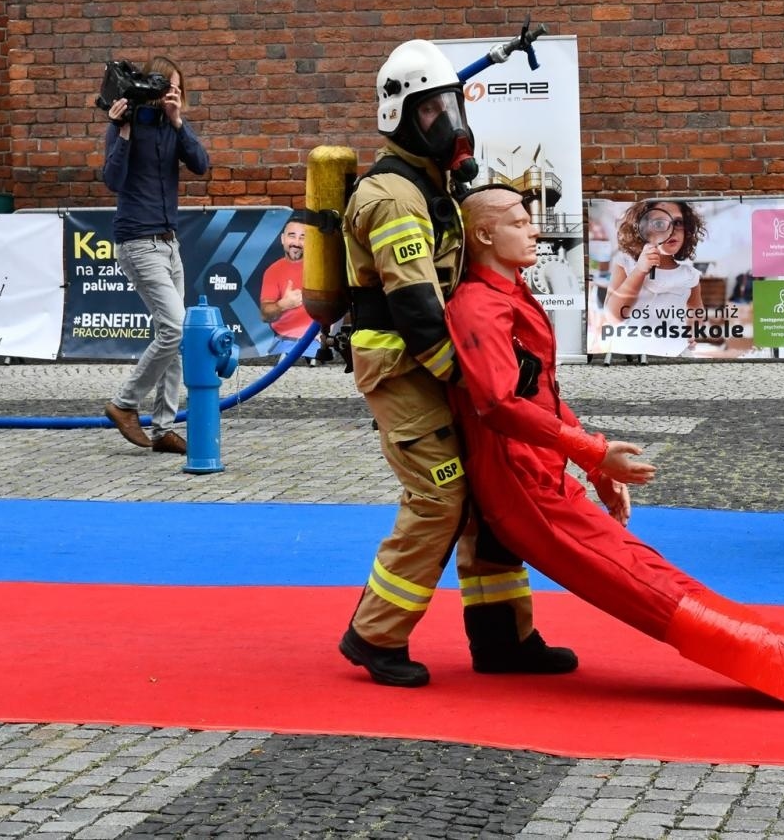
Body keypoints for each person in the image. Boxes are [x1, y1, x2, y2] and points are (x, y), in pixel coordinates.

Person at [449, 186, 784, 711]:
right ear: (485, 234)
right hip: (520, 481)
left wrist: (592, 458)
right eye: (520, 222)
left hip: (536, 471)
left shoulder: (509, 295)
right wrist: (589, 452)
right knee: (637, 579)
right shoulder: (479, 305)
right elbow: (497, 403)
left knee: (643, 569)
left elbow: (536, 393)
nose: (534, 229)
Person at [337, 39, 572, 689]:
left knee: (491, 492)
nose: (450, 123)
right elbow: (415, 311)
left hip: (440, 364)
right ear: (401, 117)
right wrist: (481, 381)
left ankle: (502, 636)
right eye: (433, 111)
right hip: (403, 369)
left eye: (451, 106)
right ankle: (374, 634)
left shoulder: (434, 186)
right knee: (441, 495)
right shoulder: (392, 198)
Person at [99, 56, 209, 456]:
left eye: (177, 89)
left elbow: (201, 164)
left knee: (173, 335)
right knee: (176, 329)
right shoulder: (125, 124)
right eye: (165, 88)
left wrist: (180, 122)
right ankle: (125, 403)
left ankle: (164, 427)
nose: (171, 95)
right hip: (137, 241)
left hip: (169, 241)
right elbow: (112, 180)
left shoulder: (174, 128)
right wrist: (122, 132)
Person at [601, 199, 706, 357]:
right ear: (641, 229)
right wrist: (640, 270)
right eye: (659, 224)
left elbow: (696, 310)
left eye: (678, 223)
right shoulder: (626, 264)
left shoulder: (689, 275)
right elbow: (613, 317)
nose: (671, 230)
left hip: (676, 354)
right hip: (629, 356)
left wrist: (693, 330)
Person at [258, 214, 319, 357]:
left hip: (316, 343)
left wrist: (327, 333)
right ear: (283, 239)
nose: (296, 242)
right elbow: (265, 315)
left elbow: (341, 305)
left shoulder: (322, 268)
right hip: (282, 342)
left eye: (303, 237)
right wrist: (283, 305)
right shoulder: (272, 271)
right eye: (292, 236)